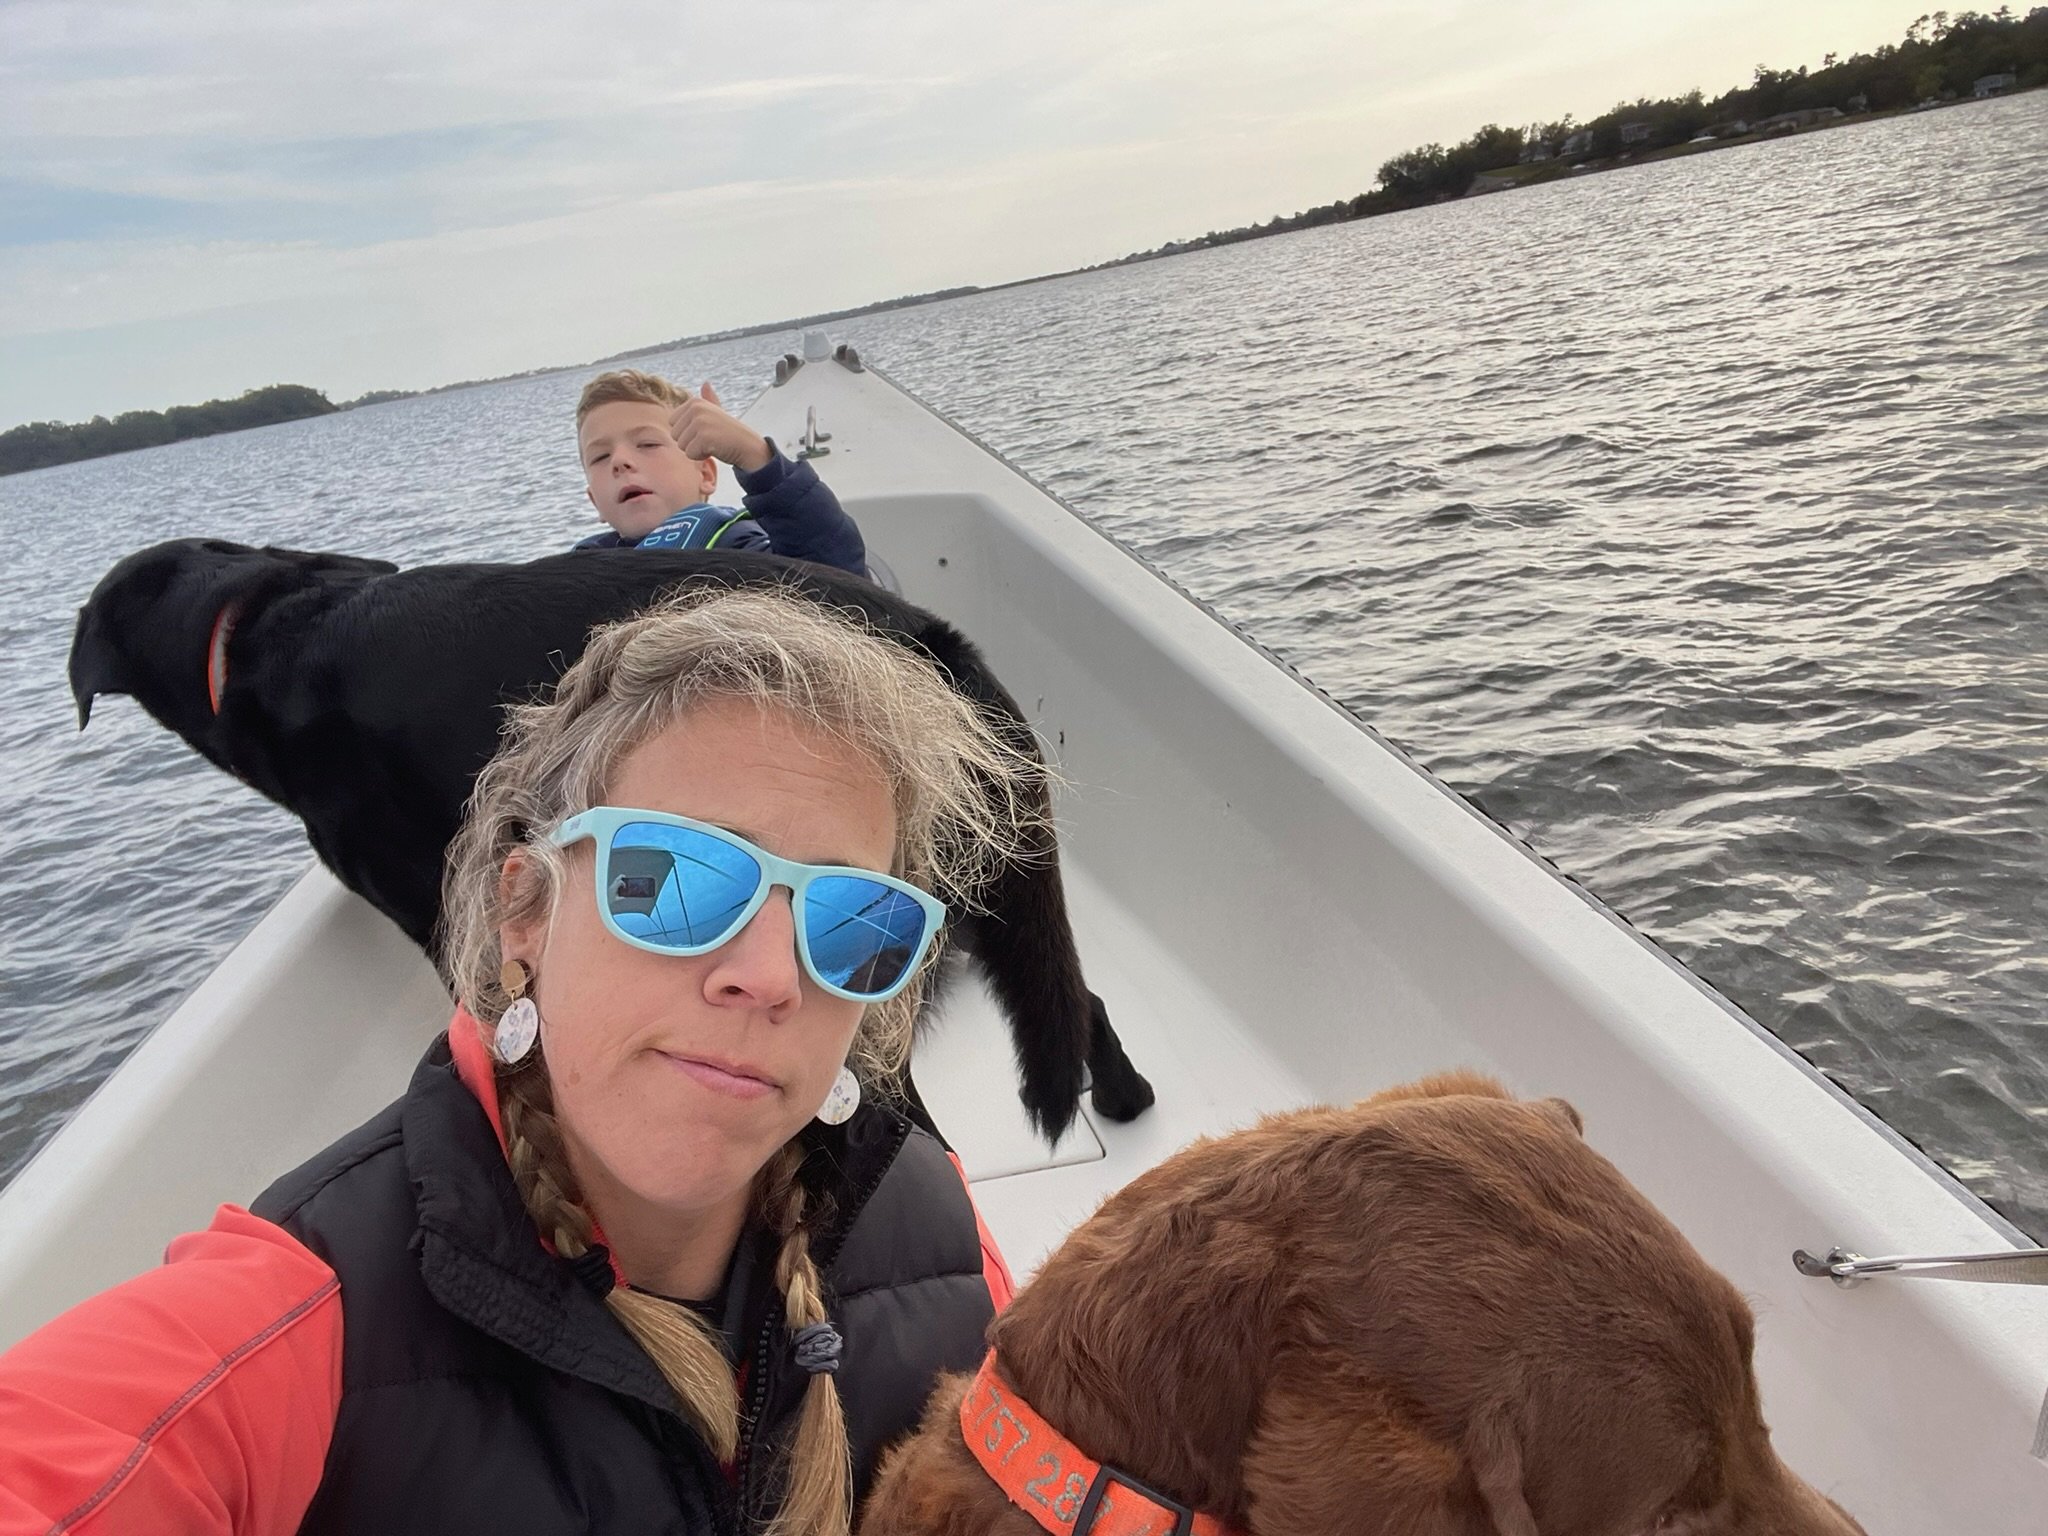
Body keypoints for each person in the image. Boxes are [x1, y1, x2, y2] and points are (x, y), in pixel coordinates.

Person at [0, 588, 1037, 1535]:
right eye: (675, 877)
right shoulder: (300, 1322)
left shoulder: (931, 1226)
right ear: (523, 912)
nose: (769, 976)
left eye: (852, 919)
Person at [575, 369, 870, 578]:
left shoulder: (738, 543)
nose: (620, 461)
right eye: (601, 456)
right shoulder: (578, 571)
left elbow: (833, 572)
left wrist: (755, 456)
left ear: (705, 474)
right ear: (593, 501)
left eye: (648, 444)